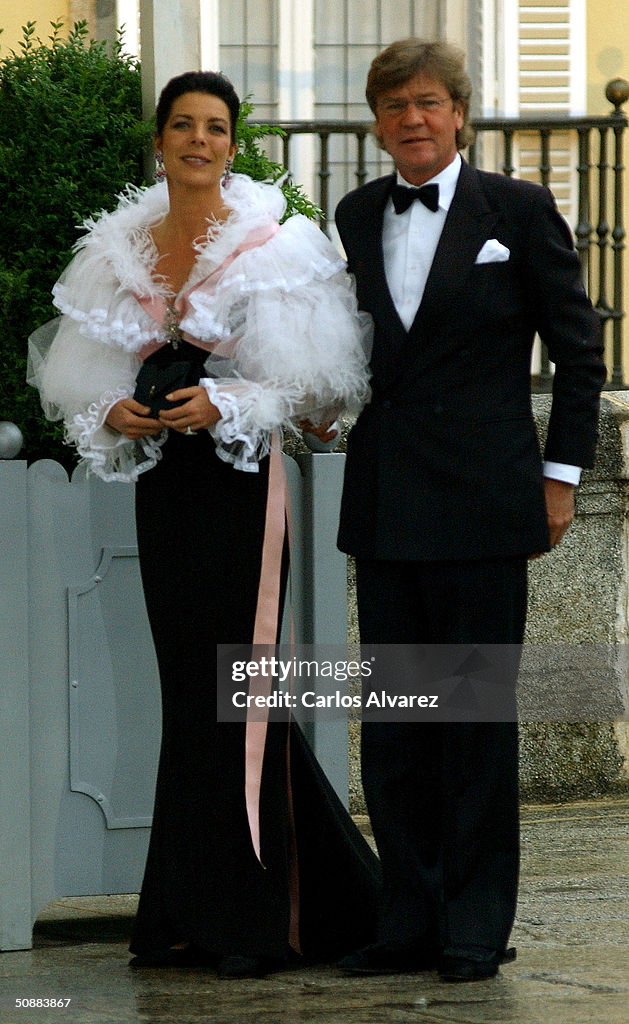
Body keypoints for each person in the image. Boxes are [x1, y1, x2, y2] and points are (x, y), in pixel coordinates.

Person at [28, 70, 380, 979]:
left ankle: (260, 922)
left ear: (233, 143)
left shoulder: (273, 243)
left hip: (239, 491)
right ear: (159, 140)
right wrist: (115, 412)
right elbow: (77, 376)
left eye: (214, 127)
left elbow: (318, 392)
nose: (197, 140)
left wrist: (221, 401)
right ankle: (188, 916)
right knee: (192, 699)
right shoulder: (120, 248)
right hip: (166, 489)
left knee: (240, 695)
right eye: (181, 125)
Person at [334, 39, 606, 982]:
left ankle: (472, 928)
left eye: (426, 102)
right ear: (377, 122)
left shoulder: (519, 211)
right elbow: (352, 344)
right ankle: (405, 921)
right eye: (392, 106)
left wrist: (562, 475)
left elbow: (578, 354)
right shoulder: (356, 212)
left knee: (473, 720)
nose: (410, 119)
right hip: (386, 499)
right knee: (398, 721)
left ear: (458, 113)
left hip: (486, 501)